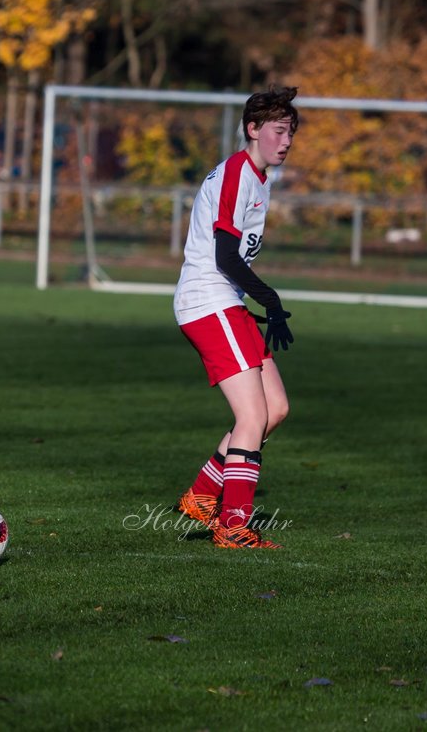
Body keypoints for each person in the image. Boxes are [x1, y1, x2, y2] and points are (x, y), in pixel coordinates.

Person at [171, 86, 298, 549]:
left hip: (227, 299)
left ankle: (203, 496)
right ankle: (232, 526)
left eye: (290, 134)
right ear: (253, 129)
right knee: (251, 416)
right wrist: (271, 299)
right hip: (209, 299)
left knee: (275, 409)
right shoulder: (237, 173)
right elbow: (225, 253)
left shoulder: (257, 179)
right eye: (278, 131)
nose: (285, 141)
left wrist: (259, 299)